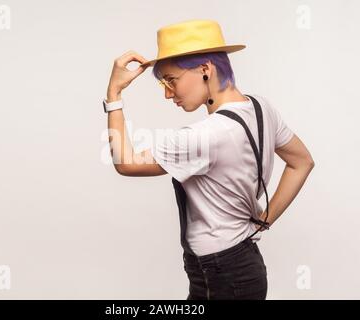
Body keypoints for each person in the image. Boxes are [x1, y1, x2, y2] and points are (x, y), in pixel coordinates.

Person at [103, 19, 315, 300]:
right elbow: (302, 161)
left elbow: (124, 161)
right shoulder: (261, 108)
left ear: (205, 70)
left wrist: (114, 94)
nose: (168, 94)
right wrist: (266, 219)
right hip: (242, 264)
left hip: (221, 275)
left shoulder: (204, 136)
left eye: (171, 80)